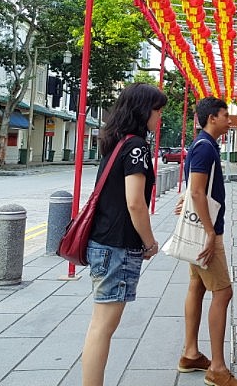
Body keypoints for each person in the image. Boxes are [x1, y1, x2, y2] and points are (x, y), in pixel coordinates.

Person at [81, 83, 166, 386]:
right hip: (117, 246)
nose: (159, 118)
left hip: (104, 241)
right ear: (144, 111)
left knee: (99, 324)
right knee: (103, 327)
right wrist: (150, 242)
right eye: (157, 111)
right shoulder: (137, 146)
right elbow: (135, 201)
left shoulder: (116, 142)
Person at [177, 96, 237, 386]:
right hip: (206, 233)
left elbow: (192, 189)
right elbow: (197, 192)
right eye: (224, 115)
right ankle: (217, 368)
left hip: (200, 230)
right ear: (211, 118)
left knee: (197, 285)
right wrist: (209, 232)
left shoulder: (202, 145)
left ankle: (190, 353)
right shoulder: (205, 148)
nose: (229, 121)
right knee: (223, 292)